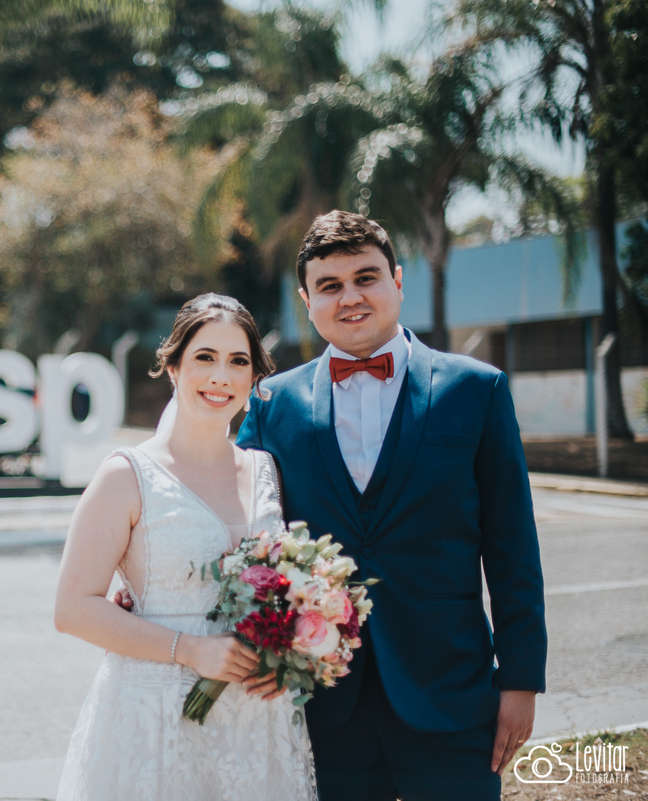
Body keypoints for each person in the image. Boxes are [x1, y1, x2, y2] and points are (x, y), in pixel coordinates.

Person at [235, 211, 547, 800]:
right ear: (307, 300)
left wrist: (522, 681)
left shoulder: (477, 391)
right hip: (321, 700)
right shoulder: (272, 403)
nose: (349, 296)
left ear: (397, 281)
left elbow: (512, 547)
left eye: (366, 277)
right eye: (330, 286)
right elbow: (231, 517)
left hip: (452, 692)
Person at [54, 294, 319, 801]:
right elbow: (72, 609)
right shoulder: (125, 475)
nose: (221, 376)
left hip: (257, 724)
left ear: (253, 378)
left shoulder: (265, 470)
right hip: (156, 722)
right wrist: (189, 650)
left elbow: (284, 587)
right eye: (205, 357)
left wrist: (285, 655)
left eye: (238, 361)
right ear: (172, 366)